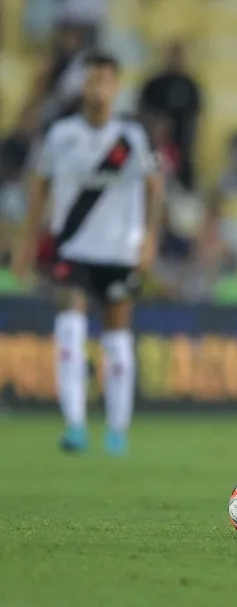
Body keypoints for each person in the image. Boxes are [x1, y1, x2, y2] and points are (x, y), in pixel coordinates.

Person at [13, 52, 163, 456]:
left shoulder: (132, 136)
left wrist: (149, 239)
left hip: (119, 251)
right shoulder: (60, 135)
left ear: (116, 87)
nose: (98, 88)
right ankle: (75, 425)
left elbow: (155, 185)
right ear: (83, 85)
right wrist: (26, 244)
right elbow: (39, 188)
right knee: (70, 327)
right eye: (93, 79)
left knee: (117, 338)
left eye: (106, 80)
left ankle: (117, 430)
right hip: (74, 248)